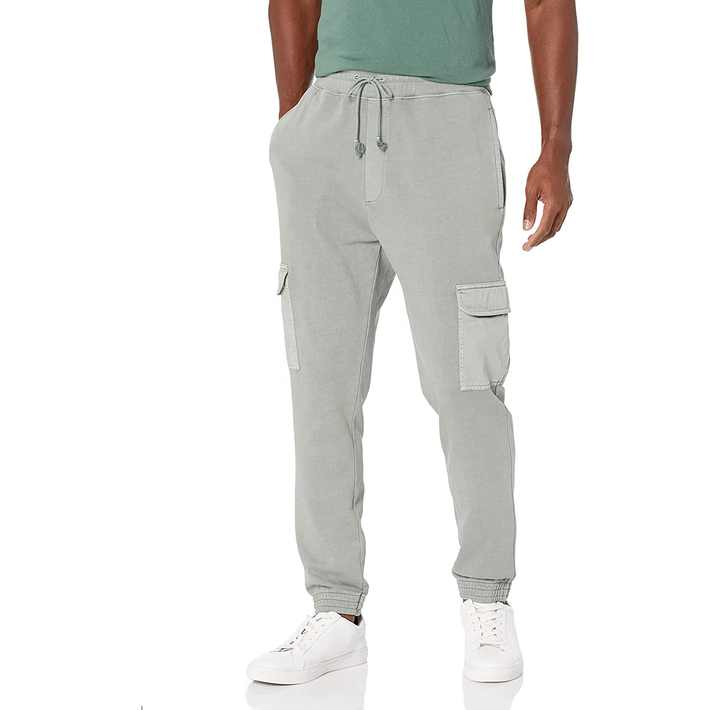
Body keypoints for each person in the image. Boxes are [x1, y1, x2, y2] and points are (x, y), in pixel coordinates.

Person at [247, 0, 577, 685]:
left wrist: (556, 146)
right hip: (327, 127)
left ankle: (487, 598)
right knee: (320, 386)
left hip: (447, 125)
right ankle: (334, 610)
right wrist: (295, 123)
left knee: (468, 379)